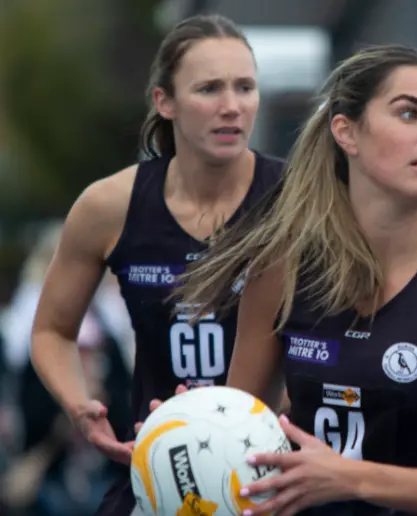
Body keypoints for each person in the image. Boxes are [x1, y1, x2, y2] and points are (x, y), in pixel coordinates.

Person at [170, 44, 417, 515]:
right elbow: (239, 448)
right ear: (346, 132)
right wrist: (183, 435)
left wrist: (351, 477)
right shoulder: (280, 270)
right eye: (410, 113)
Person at [29, 13, 284, 516]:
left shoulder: (300, 200)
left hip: (273, 474)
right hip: (161, 469)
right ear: (164, 102)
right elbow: (51, 331)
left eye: (245, 88)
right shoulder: (109, 206)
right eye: (209, 89)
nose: (232, 107)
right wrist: (81, 408)